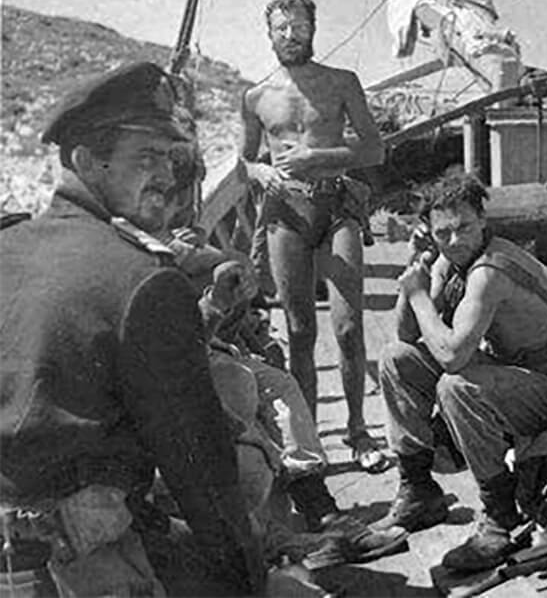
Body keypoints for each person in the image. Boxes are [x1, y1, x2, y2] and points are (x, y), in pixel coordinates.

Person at [0, 63, 263, 597]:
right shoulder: (142, 283)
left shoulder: (10, 247)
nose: (166, 176)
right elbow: (202, 472)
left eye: (169, 157)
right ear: (83, 161)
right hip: (79, 563)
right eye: (146, 158)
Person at [157, 166, 409, 571]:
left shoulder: (182, 239)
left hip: (210, 346)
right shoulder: (144, 247)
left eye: (191, 194)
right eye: (179, 195)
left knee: (279, 382)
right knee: (242, 389)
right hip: (171, 368)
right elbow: (171, 341)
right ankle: (284, 540)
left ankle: (319, 511)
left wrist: (253, 333)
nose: (188, 205)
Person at [377, 173, 547, 572]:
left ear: (482, 219)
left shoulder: (490, 269)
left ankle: (498, 516)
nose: (455, 240)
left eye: (463, 228)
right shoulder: (448, 259)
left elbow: (454, 356)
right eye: (443, 233)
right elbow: (406, 334)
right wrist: (415, 274)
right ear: (429, 231)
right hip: (512, 373)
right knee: (396, 359)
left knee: (458, 387)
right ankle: (419, 490)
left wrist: (420, 295)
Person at [241, 0, 390, 474]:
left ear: (313, 28)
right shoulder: (256, 97)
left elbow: (373, 151)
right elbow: (246, 160)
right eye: (281, 28)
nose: (290, 35)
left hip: (337, 208)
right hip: (286, 213)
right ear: (269, 34)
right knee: (301, 330)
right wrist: (257, 173)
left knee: (348, 327)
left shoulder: (341, 83)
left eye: (298, 26)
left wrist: (317, 158)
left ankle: (358, 431)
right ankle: (309, 444)